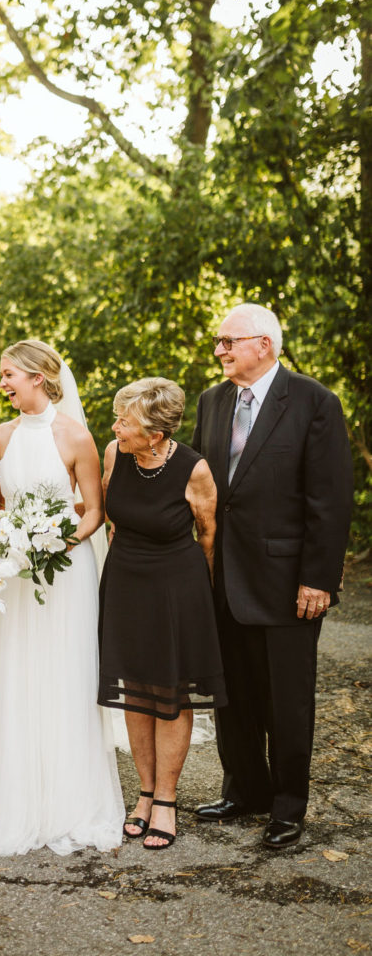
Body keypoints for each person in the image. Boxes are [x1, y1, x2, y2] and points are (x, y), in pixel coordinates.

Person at [192, 303, 353, 848]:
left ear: (263, 344)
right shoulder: (212, 402)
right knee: (232, 695)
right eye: (219, 342)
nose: (219, 350)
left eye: (227, 341)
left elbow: (330, 502)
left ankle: (287, 807)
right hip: (223, 577)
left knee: (287, 700)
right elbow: (207, 490)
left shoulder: (314, 402)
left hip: (288, 582)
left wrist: (319, 579)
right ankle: (244, 790)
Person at [0, 340, 124, 856]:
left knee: (64, 674)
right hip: (15, 575)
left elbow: (94, 513)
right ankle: (15, 793)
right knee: (16, 673)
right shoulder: (2, 435)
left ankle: (70, 798)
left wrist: (53, 546)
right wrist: (7, 550)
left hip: (65, 571)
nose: (2, 383)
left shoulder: (75, 435)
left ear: (38, 376)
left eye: (9, 374)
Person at [98, 378, 226, 851]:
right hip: (126, 580)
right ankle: (145, 792)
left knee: (171, 692)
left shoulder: (195, 470)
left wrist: (199, 599)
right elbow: (111, 517)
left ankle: (168, 800)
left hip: (177, 584)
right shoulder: (115, 454)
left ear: (155, 434)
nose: (116, 428)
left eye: (125, 422)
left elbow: (209, 537)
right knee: (134, 688)